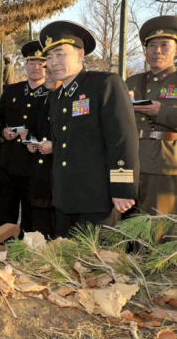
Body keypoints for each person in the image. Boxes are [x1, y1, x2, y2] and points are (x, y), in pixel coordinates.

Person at [43, 21, 139, 237]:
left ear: (80, 54)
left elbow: (122, 140)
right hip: (64, 200)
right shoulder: (57, 96)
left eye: (60, 54)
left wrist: (123, 189)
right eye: (49, 57)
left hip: (98, 200)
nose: (54, 62)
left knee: (99, 266)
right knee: (66, 265)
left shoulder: (104, 84)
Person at [125, 15, 177, 225]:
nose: (157, 51)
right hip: (131, 161)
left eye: (165, 45)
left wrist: (161, 111)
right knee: (127, 225)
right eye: (152, 46)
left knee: (158, 227)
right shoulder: (132, 81)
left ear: (175, 50)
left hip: (164, 163)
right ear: (145, 51)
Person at [0, 41, 46, 232]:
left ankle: (27, 255)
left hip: (36, 165)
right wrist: (2, 131)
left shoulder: (53, 94)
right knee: (4, 212)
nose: (36, 67)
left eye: (41, 63)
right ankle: (0, 249)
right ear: (25, 65)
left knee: (32, 215)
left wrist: (33, 137)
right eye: (31, 62)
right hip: (8, 162)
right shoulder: (12, 91)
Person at [25, 41, 62, 238]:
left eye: (50, 72)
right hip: (39, 170)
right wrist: (31, 142)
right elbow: (33, 128)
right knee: (38, 218)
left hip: (58, 170)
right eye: (45, 71)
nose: (46, 75)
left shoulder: (69, 100)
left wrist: (54, 147)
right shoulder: (41, 99)